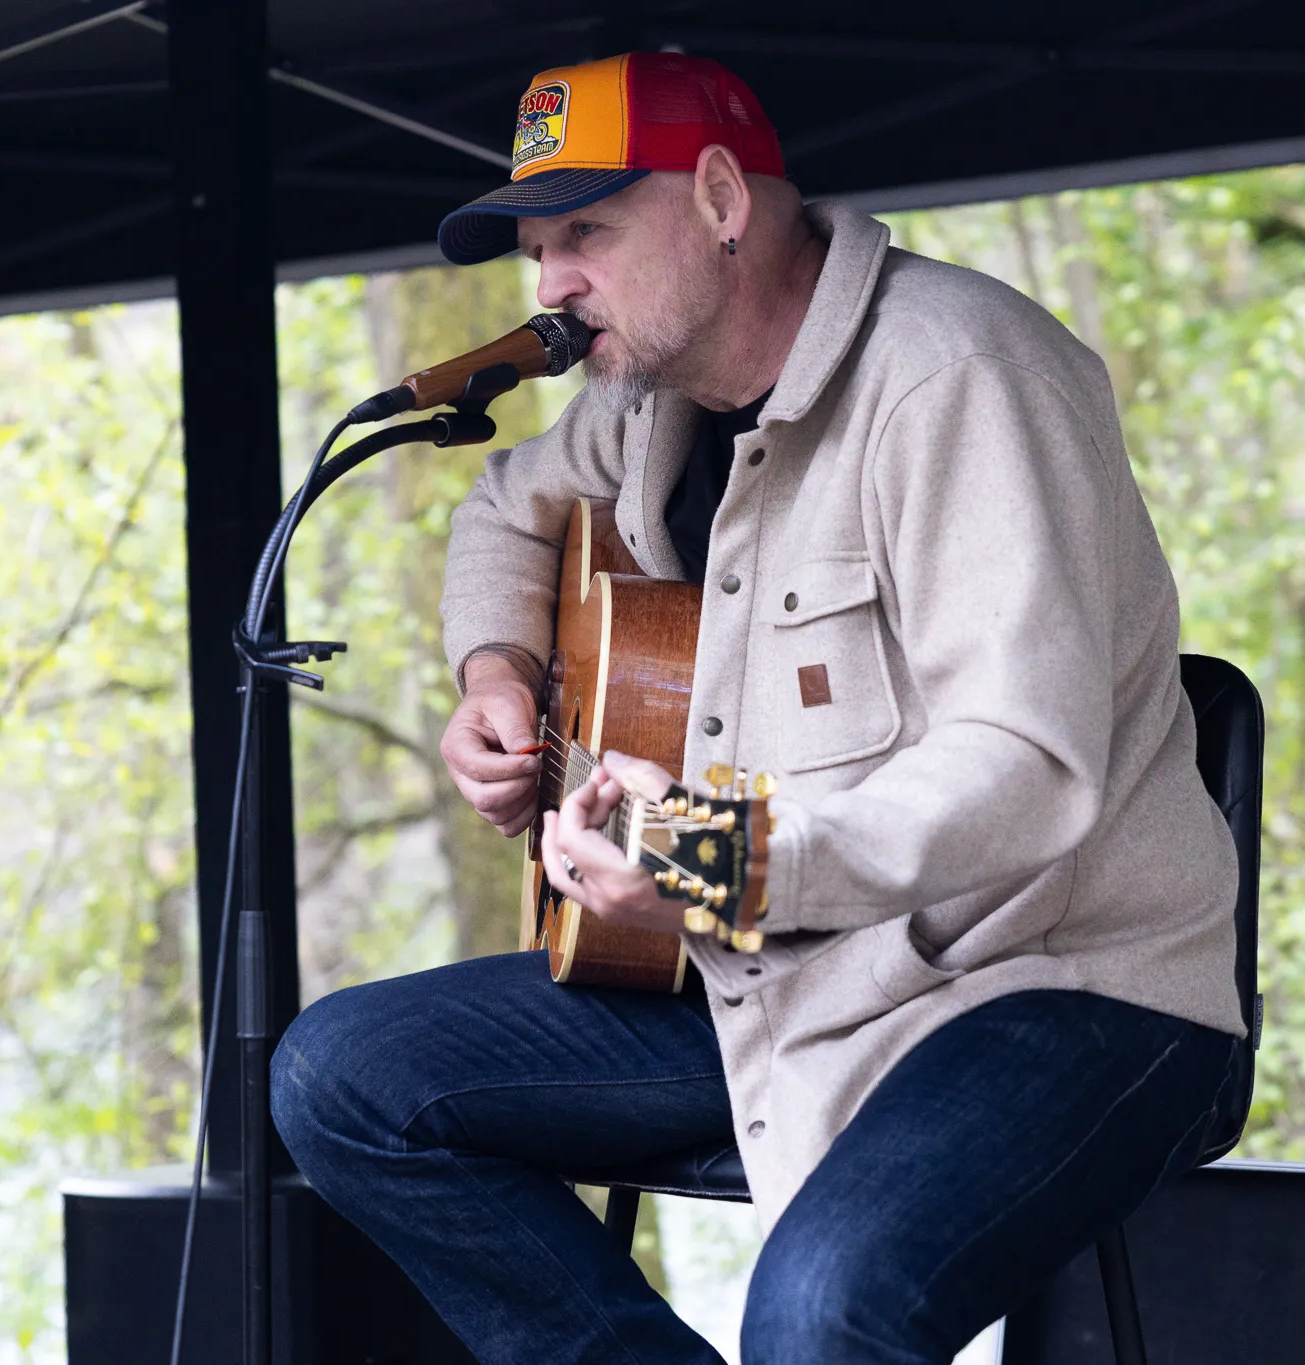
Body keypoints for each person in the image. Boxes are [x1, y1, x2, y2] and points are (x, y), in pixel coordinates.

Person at [272, 50, 1246, 1365]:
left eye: (587, 232)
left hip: (1042, 984)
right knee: (339, 1080)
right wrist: (494, 677)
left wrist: (704, 860)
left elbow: (1019, 767)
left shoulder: (962, 374)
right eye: (535, 248)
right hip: (766, 973)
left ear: (723, 198)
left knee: (821, 1313)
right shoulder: (647, 407)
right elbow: (506, 509)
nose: (550, 284)